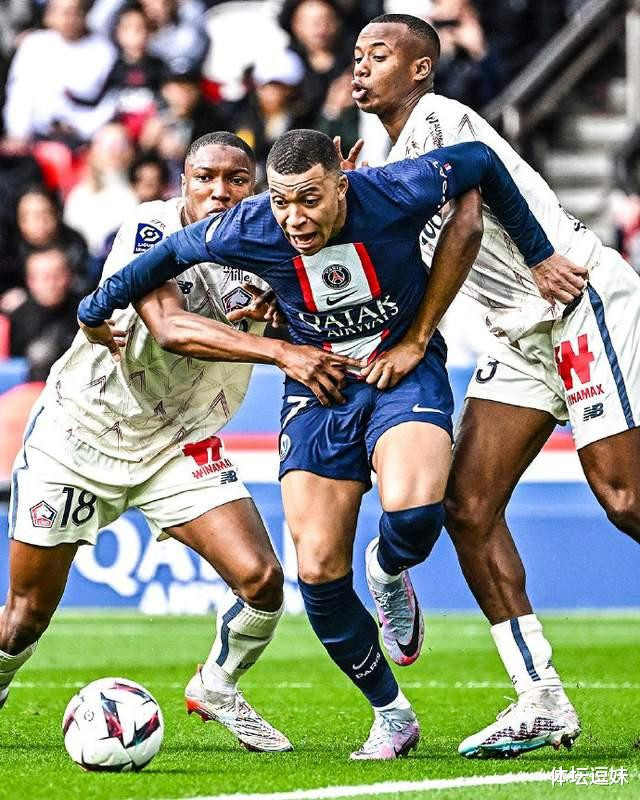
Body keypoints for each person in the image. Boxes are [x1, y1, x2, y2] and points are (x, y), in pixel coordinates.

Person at [76, 126, 582, 759]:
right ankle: (391, 714)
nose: (294, 218)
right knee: (315, 568)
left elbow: (480, 160)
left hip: (400, 370)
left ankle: (387, 569)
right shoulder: (248, 225)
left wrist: (537, 256)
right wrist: (93, 309)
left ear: (342, 185)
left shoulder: (394, 190)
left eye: (310, 199)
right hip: (318, 386)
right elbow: (162, 259)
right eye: (281, 200)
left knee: (416, 513)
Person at [0, 131, 361, 753]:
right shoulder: (151, 227)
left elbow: (340, 260)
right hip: (80, 435)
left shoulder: (276, 240)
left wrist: (345, 194)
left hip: (178, 443)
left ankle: (217, 684)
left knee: (262, 580)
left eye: (237, 180)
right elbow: (168, 326)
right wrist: (282, 351)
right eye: (205, 178)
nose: (220, 191)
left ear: (256, 188)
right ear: (183, 182)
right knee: (25, 616)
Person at [351, 12, 639, 758]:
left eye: (378, 55)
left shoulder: (439, 119)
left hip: (574, 300)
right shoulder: (383, 157)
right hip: (517, 333)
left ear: (419, 69)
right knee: (467, 507)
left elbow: (474, 208)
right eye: (357, 56)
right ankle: (540, 699)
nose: (360, 67)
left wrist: (538, 255)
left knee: (625, 498)